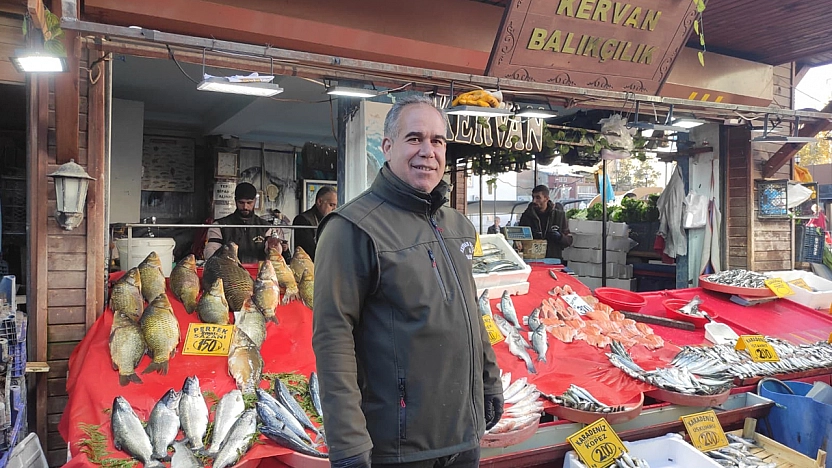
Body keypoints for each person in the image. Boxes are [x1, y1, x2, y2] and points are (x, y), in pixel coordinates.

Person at [312, 95, 502, 468]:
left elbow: (471, 311)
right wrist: (347, 441)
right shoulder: (352, 229)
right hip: (398, 446)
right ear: (387, 147)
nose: (427, 151)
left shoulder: (459, 225)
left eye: (437, 141)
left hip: (463, 435)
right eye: (414, 138)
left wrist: (489, 378)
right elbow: (333, 336)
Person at [204, 182, 284, 263]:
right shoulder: (219, 226)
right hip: (230, 273)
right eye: (241, 203)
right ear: (235, 201)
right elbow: (210, 253)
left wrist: (273, 247)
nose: (245, 207)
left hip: (258, 273)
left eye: (249, 203)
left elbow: (274, 254)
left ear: (255, 201)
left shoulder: (266, 227)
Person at [518, 185, 572, 260]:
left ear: (546, 198)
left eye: (538, 198)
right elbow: (518, 238)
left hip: (554, 260)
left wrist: (560, 237)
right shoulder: (527, 216)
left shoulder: (559, 216)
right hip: (532, 259)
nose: (534, 201)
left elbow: (569, 240)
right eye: (533, 197)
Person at [292, 186, 337, 261]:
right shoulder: (303, 220)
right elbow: (309, 251)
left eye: (336, 206)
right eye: (331, 205)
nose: (334, 209)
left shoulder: (331, 221)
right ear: (319, 202)